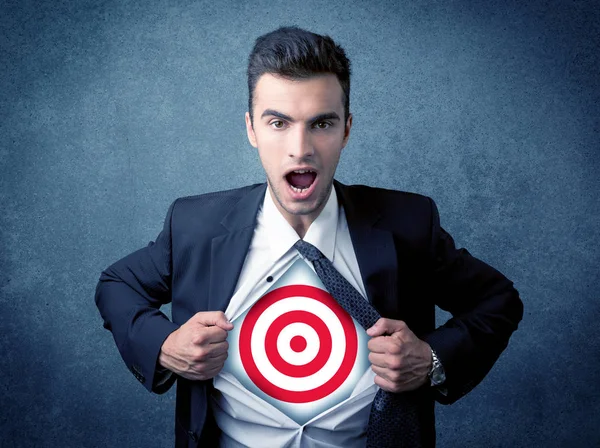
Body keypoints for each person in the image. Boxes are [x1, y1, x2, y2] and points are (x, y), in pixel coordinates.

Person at [95, 26, 523, 448]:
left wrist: (430, 360)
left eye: (321, 123)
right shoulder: (194, 224)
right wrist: (164, 344)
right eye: (278, 122)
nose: (300, 148)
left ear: (347, 130)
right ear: (251, 130)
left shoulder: (408, 223)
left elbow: (498, 301)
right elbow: (117, 285)